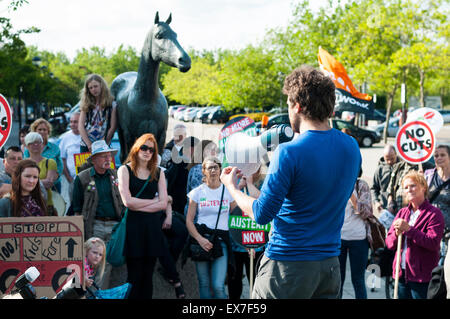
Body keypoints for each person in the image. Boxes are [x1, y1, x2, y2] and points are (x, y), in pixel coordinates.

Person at [220, 65, 361, 299]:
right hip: (330, 266)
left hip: (287, 267)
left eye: (288, 104)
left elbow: (262, 214)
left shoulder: (289, 152)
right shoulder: (351, 147)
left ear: (298, 106)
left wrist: (232, 187)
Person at [118, 133, 185, 299]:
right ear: (136, 148)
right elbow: (127, 202)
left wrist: (140, 204)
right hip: (133, 229)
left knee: (148, 278)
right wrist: (152, 203)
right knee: (133, 277)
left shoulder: (158, 173)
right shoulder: (124, 170)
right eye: (144, 147)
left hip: (152, 229)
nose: (147, 151)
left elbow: (163, 204)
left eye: (151, 149)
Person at [72, 140, 127, 290]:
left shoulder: (116, 175)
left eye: (109, 156)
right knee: (89, 261)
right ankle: (91, 293)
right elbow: (76, 206)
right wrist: (79, 230)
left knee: (106, 263)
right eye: (103, 156)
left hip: (114, 226)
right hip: (93, 225)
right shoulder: (82, 178)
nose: (108, 159)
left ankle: (98, 294)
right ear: (94, 159)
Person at [385, 171, 444, 299]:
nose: (409, 190)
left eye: (413, 185)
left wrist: (409, 230)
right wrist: (396, 234)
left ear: (423, 187)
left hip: (422, 277)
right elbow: (389, 243)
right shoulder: (402, 213)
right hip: (401, 275)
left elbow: (433, 243)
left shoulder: (434, 214)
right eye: (406, 187)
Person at [186, 156, 237, 299]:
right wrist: (200, 239)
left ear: (220, 169)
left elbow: (238, 216)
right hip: (201, 241)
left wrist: (245, 239)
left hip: (221, 242)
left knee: (218, 286)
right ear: (204, 171)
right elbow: (189, 221)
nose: (213, 170)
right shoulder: (197, 192)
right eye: (210, 167)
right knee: (204, 284)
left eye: (216, 167)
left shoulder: (228, 192)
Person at [227, 167, 265, 299]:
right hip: (236, 242)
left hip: (257, 243)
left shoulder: (263, 183)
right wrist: (237, 188)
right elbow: (230, 208)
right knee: (234, 282)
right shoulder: (234, 184)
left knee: (255, 283)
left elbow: (262, 203)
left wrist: (249, 184)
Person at [339, 168, 373, 299]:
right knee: (337, 280)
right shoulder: (336, 184)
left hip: (359, 239)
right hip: (339, 238)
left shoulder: (361, 185)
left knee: (358, 280)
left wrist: (351, 195)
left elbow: (367, 212)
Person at [424, 145, 450, 264]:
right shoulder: (427, 175)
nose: (439, 158)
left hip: (448, 233)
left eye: (443, 155)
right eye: (436, 155)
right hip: (430, 231)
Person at [78, 74, 117, 152]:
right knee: (86, 164)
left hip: (104, 144)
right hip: (86, 144)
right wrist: (89, 144)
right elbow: (80, 126)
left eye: (96, 86)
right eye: (90, 88)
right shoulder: (86, 103)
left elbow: (113, 127)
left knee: (105, 164)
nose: (93, 89)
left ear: (101, 86)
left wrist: (104, 142)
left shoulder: (111, 104)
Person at [24, 118, 64, 193]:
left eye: (44, 130)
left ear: (48, 132)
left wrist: (51, 180)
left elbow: (59, 167)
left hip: (53, 186)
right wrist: (41, 182)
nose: (42, 132)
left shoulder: (55, 148)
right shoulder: (28, 150)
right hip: (34, 187)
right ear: (35, 131)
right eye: (40, 129)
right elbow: (26, 167)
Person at [25, 132, 58, 216]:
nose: (35, 144)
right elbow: (20, 184)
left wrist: (29, 183)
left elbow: (49, 183)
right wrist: (41, 182)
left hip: (46, 204)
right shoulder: (23, 164)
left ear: (42, 145)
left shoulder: (50, 162)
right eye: (32, 142)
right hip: (27, 205)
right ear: (27, 146)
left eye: (38, 142)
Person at [59, 111, 81, 207]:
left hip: (88, 180)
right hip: (73, 180)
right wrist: (68, 177)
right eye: (71, 122)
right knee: (74, 206)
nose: (72, 124)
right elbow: (62, 159)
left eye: (75, 122)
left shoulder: (88, 136)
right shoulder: (66, 138)